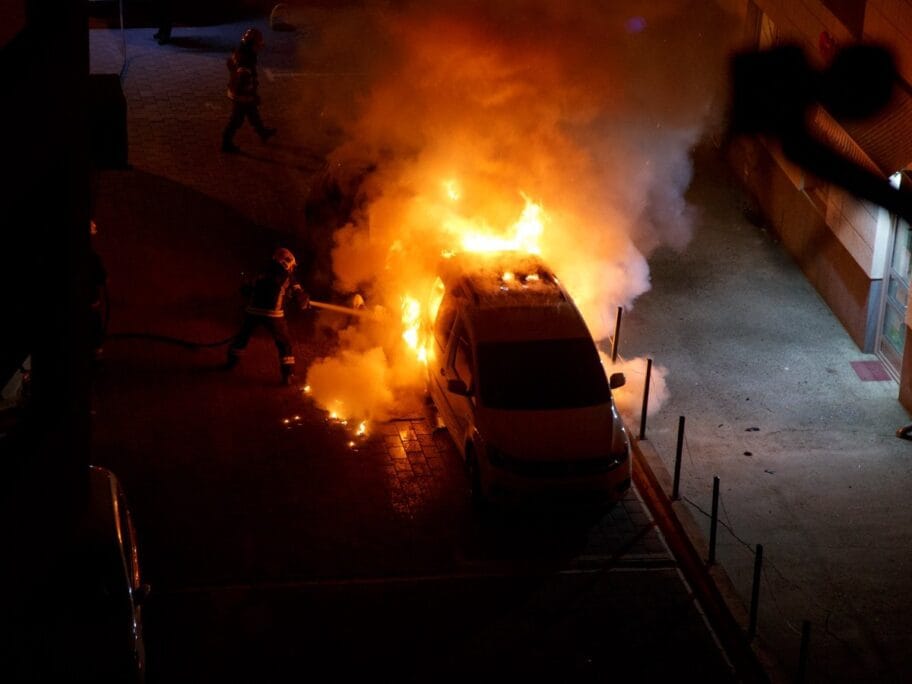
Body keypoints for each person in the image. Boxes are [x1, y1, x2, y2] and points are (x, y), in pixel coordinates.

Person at [226, 247, 309, 385]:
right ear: (287, 262)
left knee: (242, 337)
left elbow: (245, 289)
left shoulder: (260, 271)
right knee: (284, 344)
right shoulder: (288, 277)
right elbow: (300, 297)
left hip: (252, 311)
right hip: (274, 315)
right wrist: (303, 301)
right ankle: (287, 375)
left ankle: (231, 362)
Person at [221, 28, 277, 154]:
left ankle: (262, 132)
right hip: (240, 96)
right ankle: (226, 143)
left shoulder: (241, 52)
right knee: (237, 120)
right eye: (257, 45)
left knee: (253, 113)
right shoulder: (246, 61)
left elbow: (230, 64)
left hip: (238, 92)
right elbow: (243, 83)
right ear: (251, 45)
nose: (259, 48)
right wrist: (252, 95)